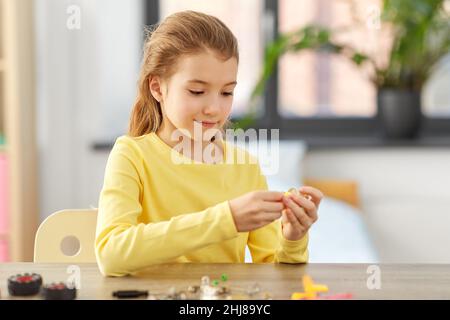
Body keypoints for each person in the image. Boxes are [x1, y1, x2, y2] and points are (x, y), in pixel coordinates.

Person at [95, 10, 323, 277]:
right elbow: (111, 254)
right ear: (157, 88)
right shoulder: (132, 155)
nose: (214, 108)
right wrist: (227, 220)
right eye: (197, 91)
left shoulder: (245, 167)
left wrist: (294, 238)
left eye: (227, 92)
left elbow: (275, 273)